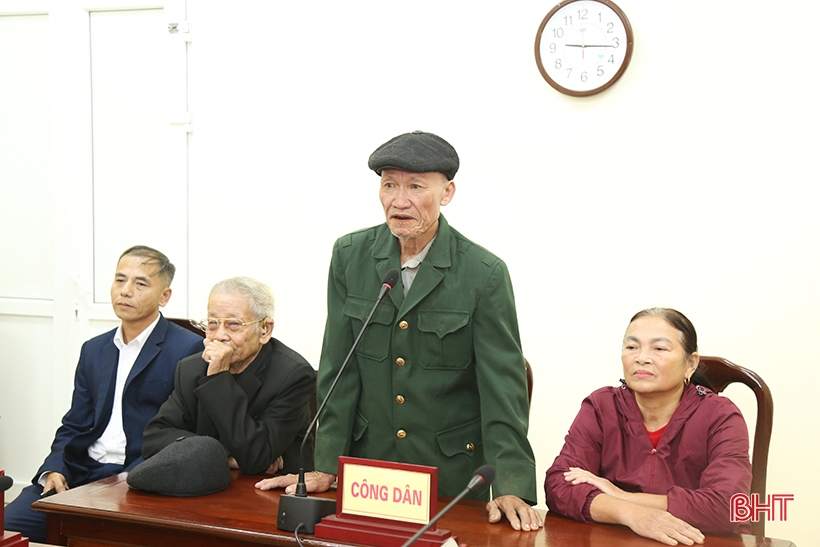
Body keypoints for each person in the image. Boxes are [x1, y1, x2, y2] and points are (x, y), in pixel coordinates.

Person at [256, 130, 541, 531]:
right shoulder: (350, 255)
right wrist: (325, 464)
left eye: (415, 186)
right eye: (389, 184)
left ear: (447, 193)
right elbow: (339, 367)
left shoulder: (483, 274)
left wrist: (511, 484)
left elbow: (503, 388)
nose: (399, 200)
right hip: (367, 471)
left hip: (449, 476)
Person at [4, 246, 203, 543]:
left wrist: (127, 482)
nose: (125, 291)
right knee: (7, 524)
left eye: (140, 283)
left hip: (136, 477)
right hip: (80, 472)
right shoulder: (94, 349)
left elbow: (182, 433)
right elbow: (74, 423)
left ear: (165, 296)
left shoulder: (187, 349)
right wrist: (54, 469)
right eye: (119, 280)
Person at [544, 308, 752, 545]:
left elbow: (729, 506)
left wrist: (620, 494)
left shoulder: (720, 415)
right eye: (632, 347)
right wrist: (631, 514)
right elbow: (559, 485)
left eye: (659, 349)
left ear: (691, 363)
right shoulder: (602, 406)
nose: (641, 358)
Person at [142, 277, 315, 476]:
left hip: (274, 491)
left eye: (233, 324)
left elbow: (256, 456)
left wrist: (217, 379)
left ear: (264, 330)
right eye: (213, 323)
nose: (219, 336)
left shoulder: (292, 375)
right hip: (207, 482)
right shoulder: (191, 368)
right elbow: (154, 439)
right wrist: (226, 456)